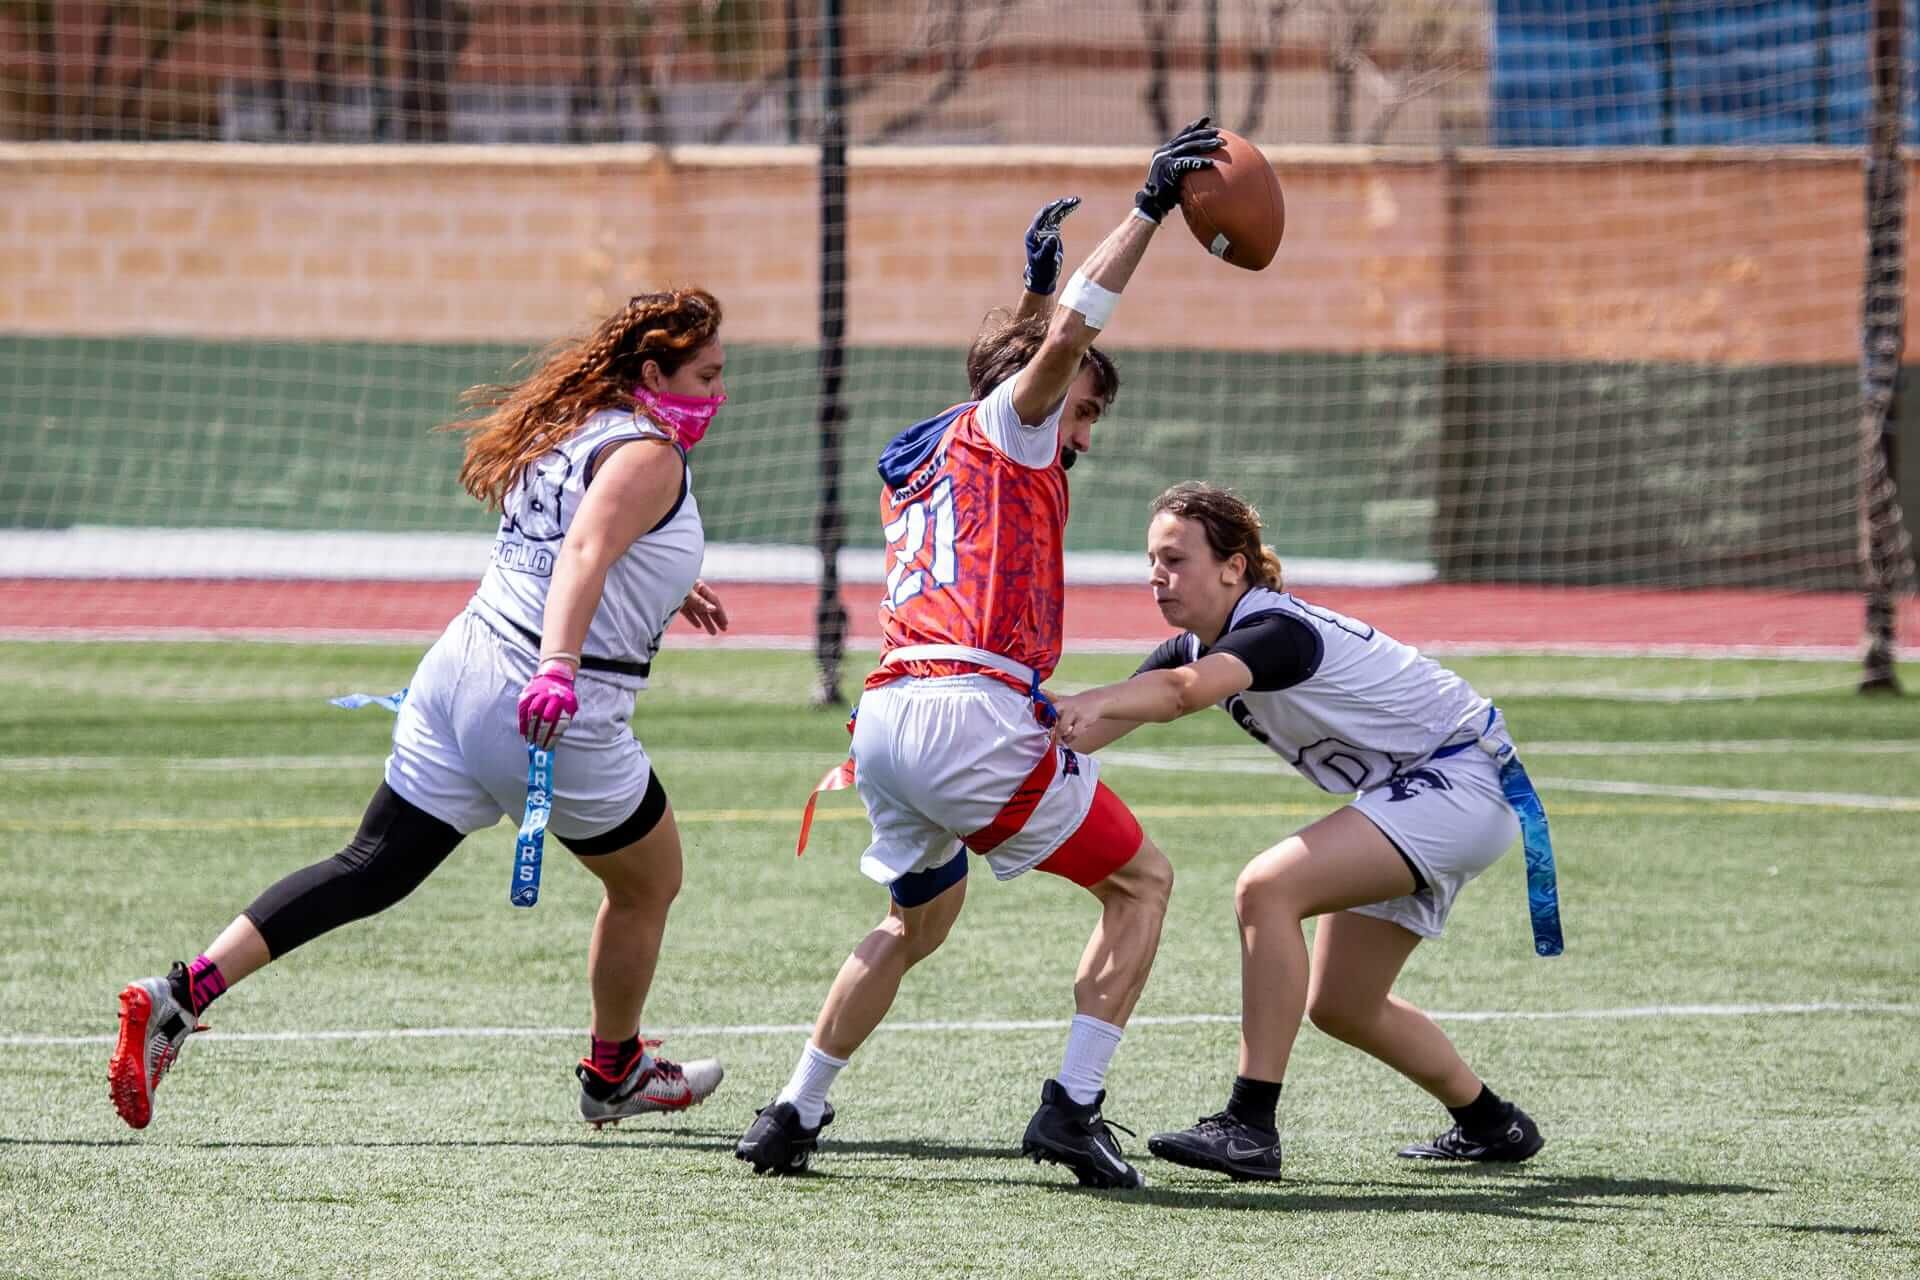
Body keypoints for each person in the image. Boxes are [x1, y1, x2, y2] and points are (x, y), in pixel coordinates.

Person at [110, 289, 736, 1132]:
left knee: (370, 865)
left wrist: (662, 577)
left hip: (459, 668)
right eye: (706, 373)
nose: (718, 392)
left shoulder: (578, 425)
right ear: (653, 371)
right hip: (541, 697)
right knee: (651, 882)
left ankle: (179, 995)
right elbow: (585, 548)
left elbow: (580, 543)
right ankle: (614, 1072)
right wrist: (557, 666)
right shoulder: (649, 454)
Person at [734, 120, 1226, 1189]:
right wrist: (1147, 207)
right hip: (971, 711)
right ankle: (1073, 1105)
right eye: (1082, 408)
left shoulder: (928, 456)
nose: (1082, 432)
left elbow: (1020, 362)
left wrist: (1033, 291)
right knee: (1142, 879)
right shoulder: (1015, 428)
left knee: (915, 920)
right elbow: (1051, 360)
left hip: (886, 720)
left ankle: (791, 1110)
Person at [1048, 481, 1551, 1182]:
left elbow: (1180, 695)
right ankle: (1493, 1123)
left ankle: (1250, 1127)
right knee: (1344, 1005)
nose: (1157, 576)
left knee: (1267, 887)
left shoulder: (1278, 629)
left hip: (1461, 782)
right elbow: (1097, 727)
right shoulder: (1192, 646)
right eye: (1152, 561)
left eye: (1175, 559)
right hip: (1417, 793)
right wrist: (1004, 729)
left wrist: (1091, 699)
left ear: (1234, 567)